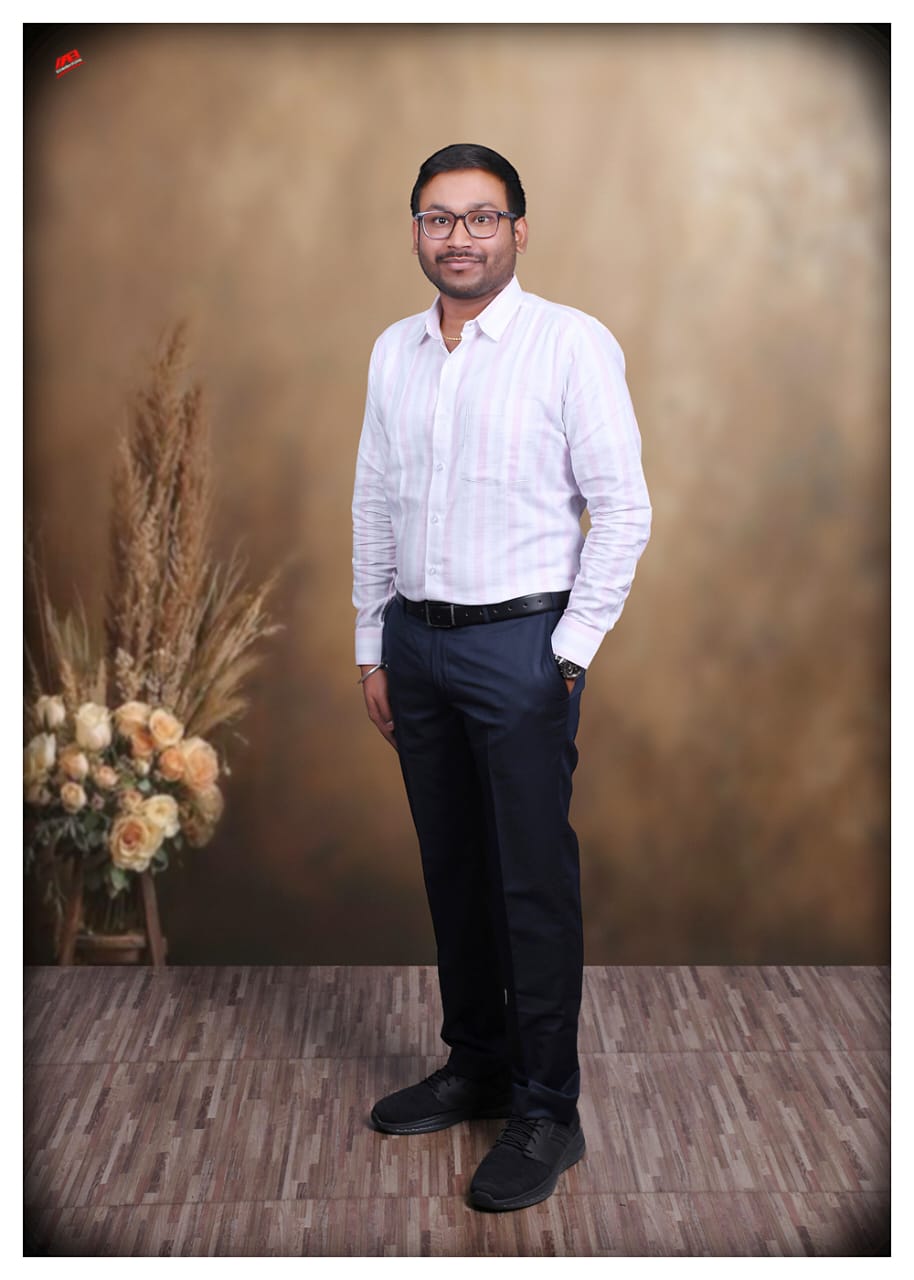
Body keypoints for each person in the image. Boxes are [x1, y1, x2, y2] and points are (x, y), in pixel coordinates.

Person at [351, 143, 651, 1213]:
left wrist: (566, 653)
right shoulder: (394, 350)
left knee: (530, 883)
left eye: (482, 217)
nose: (459, 237)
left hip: (521, 647)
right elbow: (374, 497)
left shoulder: (570, 344)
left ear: (518, 230)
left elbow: (623, 509)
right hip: (416, 646)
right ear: (416, 231)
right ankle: (476, 1063)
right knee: (453, 869)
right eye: (439, 218)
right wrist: (371, 640)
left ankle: (546, 1108)